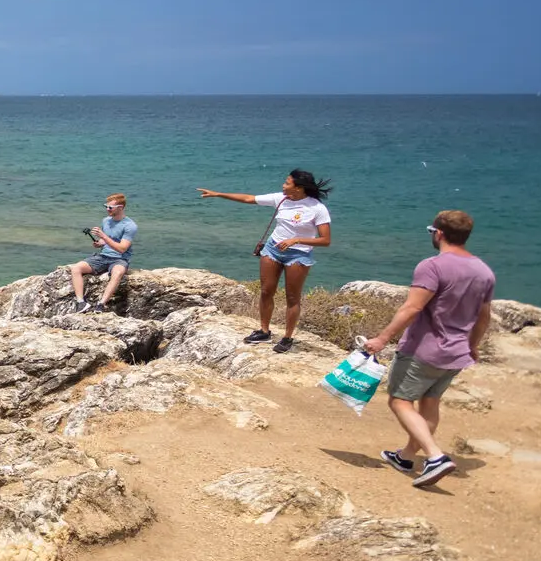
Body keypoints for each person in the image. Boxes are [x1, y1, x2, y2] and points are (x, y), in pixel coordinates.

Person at [360, 211, 494, 489]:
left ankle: (434, 457)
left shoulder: (432, 266)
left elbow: (412, 307)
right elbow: (483, 317)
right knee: (430, 403)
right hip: (456, 354)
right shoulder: (484, 271)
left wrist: (383, 338)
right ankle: (407, 457)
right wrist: (472, 347)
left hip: (424, 349)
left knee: (399, 400)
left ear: (440, 234)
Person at [196, 170, 333, 352]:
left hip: (298, 254)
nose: (283, 186)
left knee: (292, 297)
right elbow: (248, 199)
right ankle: (264, 331)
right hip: (273, 249)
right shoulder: (281, 199)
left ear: (298, 188)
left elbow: (325, 240)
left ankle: (287, 337)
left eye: (287, 183)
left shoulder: (316, 208)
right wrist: (218, 194)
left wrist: (296, 240)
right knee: (266, 291)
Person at [69, 193, 136, 313]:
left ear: (120, 207)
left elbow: (122, 248)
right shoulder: (106, 221)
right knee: (76, 269)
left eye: (110, 207)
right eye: (106, 206)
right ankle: (81, 303)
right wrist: (100, 243)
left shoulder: (130, 226)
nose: (107, 209)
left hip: (120, 259)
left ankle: (101, 304)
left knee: (118, 272)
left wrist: (104, 237)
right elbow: (106, 240)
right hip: (103, 256)